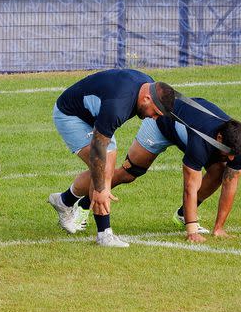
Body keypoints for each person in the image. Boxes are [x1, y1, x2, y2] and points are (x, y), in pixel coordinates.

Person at [47, 69, 175, 247]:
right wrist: (100, 190)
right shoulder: (117, 106)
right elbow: (97, 150)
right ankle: (104, 235)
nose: (153, 118)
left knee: (104, 172)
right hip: (70, 115)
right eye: (155, 113)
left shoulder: (148, 85)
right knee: (103, 172)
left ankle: (63, 201)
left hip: (96, 116)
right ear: (147, 98)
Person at [111, 96, 241, 241]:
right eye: (229, 153)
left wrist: (219, 228)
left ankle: (183, 214)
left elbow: (230, 183)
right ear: (219, 138)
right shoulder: (200, 140)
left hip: (191, 127)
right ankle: (85, 203)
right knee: (129, 173)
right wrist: (192, 231)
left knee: (220, 170)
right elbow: (190, 186)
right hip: (161, 123)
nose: (232, 159)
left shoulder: (238, 146)